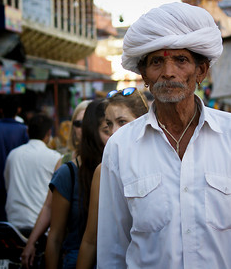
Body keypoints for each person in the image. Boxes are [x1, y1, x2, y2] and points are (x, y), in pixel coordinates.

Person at [97, 2, 231, 269]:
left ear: (201, 71)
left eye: (181, 60)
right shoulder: (121, 146)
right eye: (156, 62)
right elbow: (112, 250)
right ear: (144, 76)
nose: (168, 72)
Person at [76, 87, 149, 269]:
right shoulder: (104, 171)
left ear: (144, 121)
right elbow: (91, 240)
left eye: (122, 122)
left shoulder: (164, 164)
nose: (114, 132)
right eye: (109, 124)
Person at [21, 100, 91, 269]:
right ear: (73, 129)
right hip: (71, 249)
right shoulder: (64, 163)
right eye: (78, 123)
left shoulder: (109, 159)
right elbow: (49, 207)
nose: (83, 128)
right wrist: (31, 243)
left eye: (88, 122)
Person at [45, 99, 110, 269]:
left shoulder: (126, 171)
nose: (115, 134)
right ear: (91, 132)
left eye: (122, 124)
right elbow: (55, 236)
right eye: (107, 129)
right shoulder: (68, 173)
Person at [4, 113, 62, 237]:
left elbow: (8, 185)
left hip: (13, 224)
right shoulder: (55, 158)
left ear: (27, 131)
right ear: (49, 133)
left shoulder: (13, 155)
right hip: (42, 227)